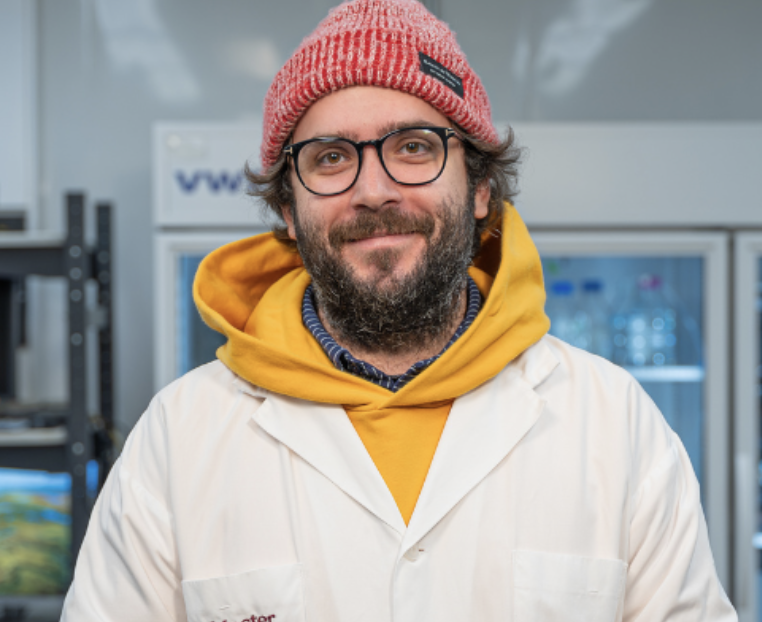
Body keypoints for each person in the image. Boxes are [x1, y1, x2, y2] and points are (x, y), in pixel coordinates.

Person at [62, 0, 737, 620]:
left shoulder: (613, 426)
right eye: (330, 159)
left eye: (413, 147)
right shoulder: (180, 440)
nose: (374, 189)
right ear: (288, 211)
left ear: (478, 187)